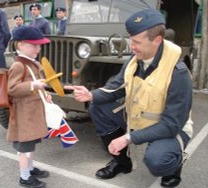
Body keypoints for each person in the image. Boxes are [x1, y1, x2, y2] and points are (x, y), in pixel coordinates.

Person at [65, 9, 193, 188]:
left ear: (157, 40)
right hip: (140, 117)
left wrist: (127, 138)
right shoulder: (135, 59)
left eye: (136, 42)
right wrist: (91, 95)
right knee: (98, 106)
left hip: (169, 126)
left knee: (157, 160)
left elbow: (171, 125)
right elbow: (116, 87)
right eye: (131, 40)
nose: (131, 46)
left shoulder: (178, 73)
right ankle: (122, 162)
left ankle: (173, 167)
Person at [7, 26, 51, 188]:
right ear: (20, 45)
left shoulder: (31, 63)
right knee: (24, 147)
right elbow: (12, 89)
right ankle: (24, 177)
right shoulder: (19, 65)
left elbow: (39, 84)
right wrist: (33, 85)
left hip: (32, 113)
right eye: (34, 45)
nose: (38, 48)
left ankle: (30, 169)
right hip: (24, 114)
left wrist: (45, 94)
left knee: (31, 144)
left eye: (39, 45)